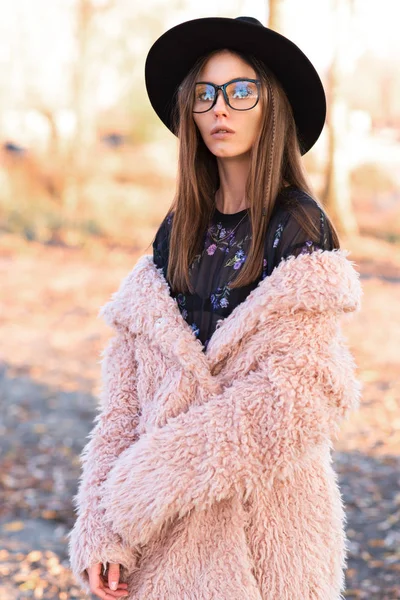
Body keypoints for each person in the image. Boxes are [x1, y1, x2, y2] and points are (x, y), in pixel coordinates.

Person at [67, 16, 363, 600]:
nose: (219, 108)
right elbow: (125, 400)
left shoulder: (297, 226)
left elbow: (300, 397)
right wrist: (101, 526)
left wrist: (144, 486)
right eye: (204, 94)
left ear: (270, 105)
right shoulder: (176, 233)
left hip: (264, 543)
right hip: (165, 550)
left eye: (239, 91)